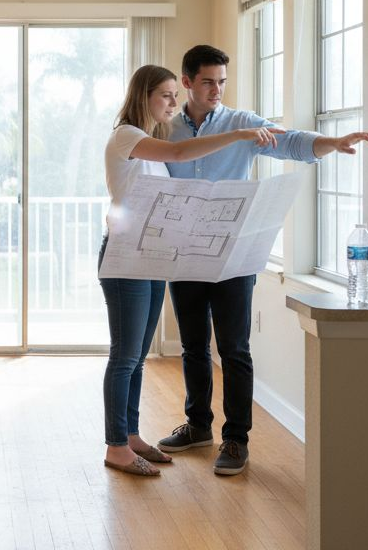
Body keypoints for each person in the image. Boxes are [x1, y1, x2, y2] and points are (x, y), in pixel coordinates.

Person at [156, 44, 368, 476]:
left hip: (235, 254)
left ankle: (236, 440)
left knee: (235, 349)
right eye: (207, 82)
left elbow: (288, 140)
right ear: (186, 83)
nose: (217, 90)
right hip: (185, 254)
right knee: (193, 346)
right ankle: (199, 425)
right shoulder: (166, 129)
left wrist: (329, 142)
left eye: (222, 82)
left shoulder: (241, 123)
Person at [99, 64, 283, 477]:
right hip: (124, 258)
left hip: (149, 258)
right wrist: (239, 134)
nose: (172, 103)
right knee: (124, 357)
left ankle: (129, 437)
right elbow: (182, 154)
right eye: (164, 95)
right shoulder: (128, 136)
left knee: (138, 358)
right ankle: (115, 446)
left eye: (172, 95)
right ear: (144, 95)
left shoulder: (149, 142)